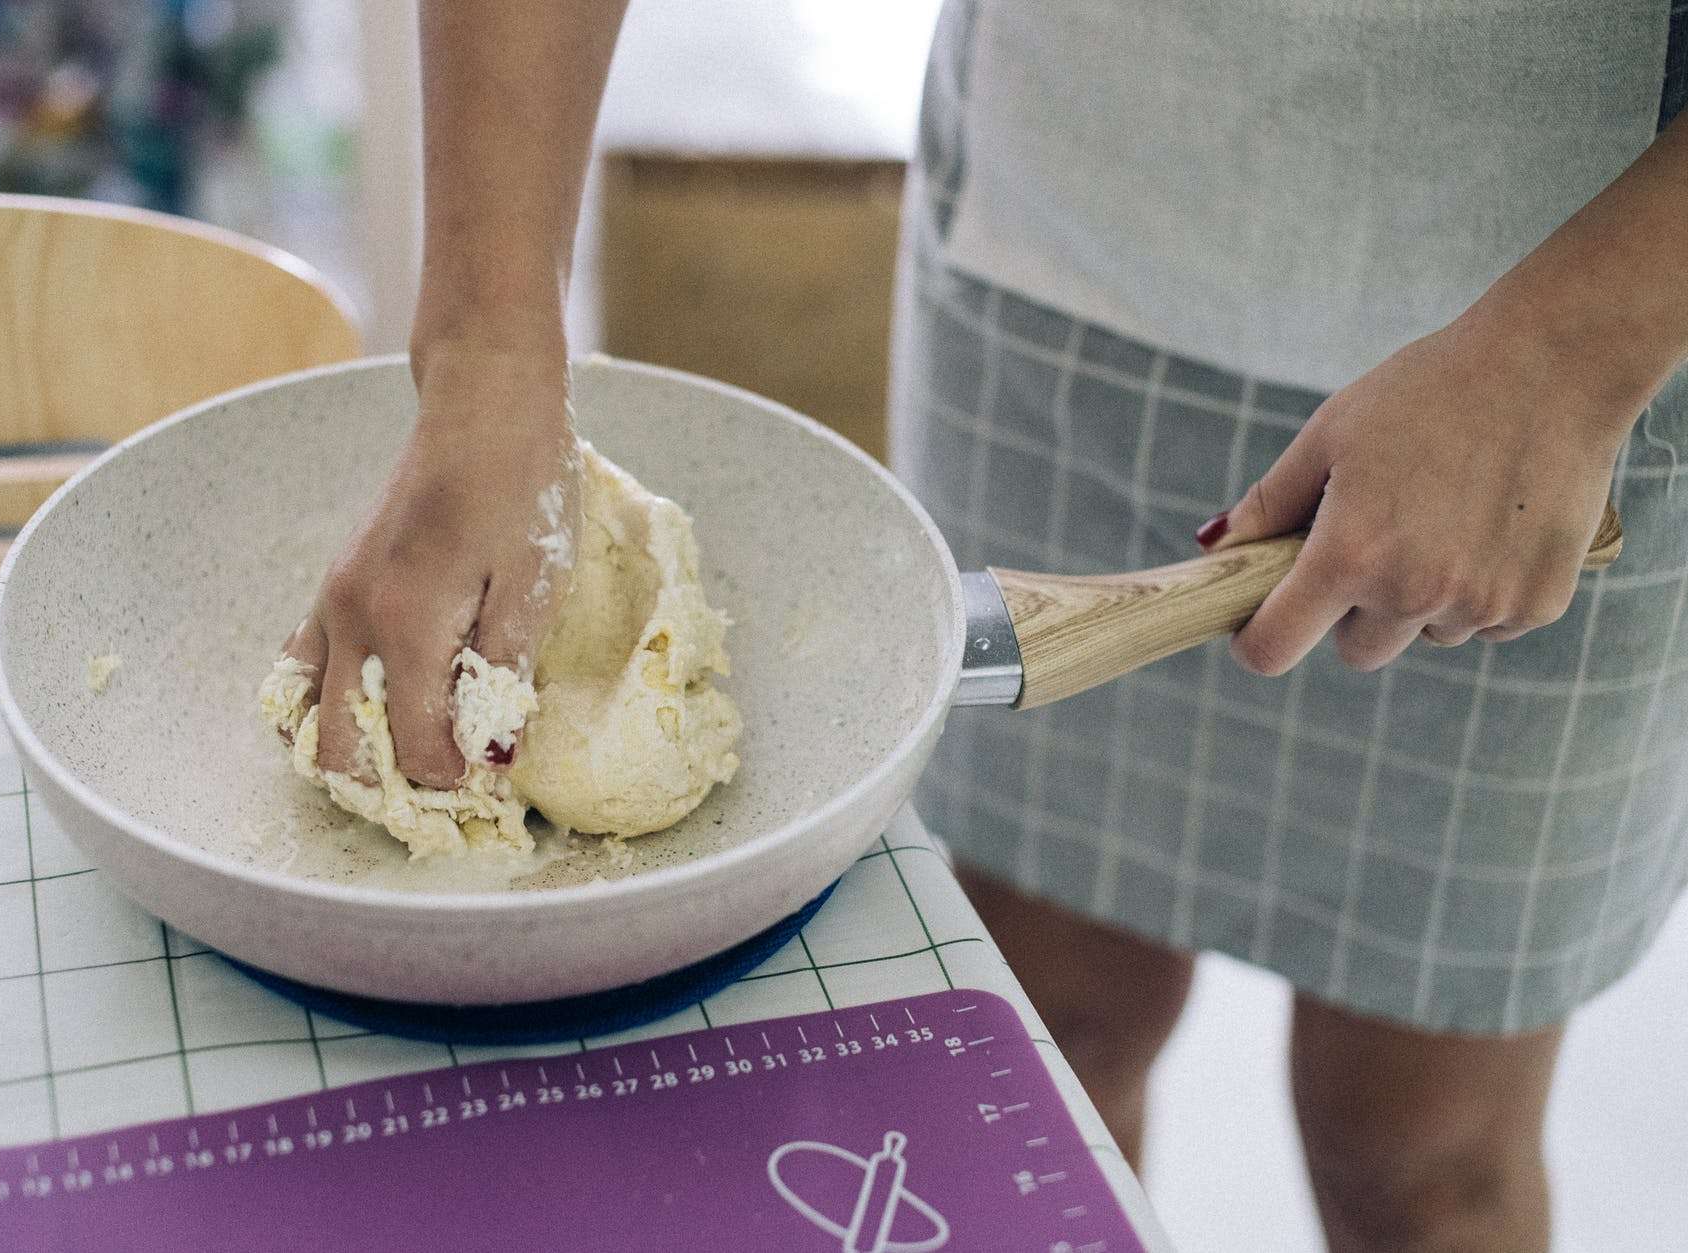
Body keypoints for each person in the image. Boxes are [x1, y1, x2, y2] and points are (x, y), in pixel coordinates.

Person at [279, 5, 1688, 1250]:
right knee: (1050, 1033)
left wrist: (1569, 352)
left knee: (1419, 1157)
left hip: (1567, 342)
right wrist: (482, 350)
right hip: (1071, 229)